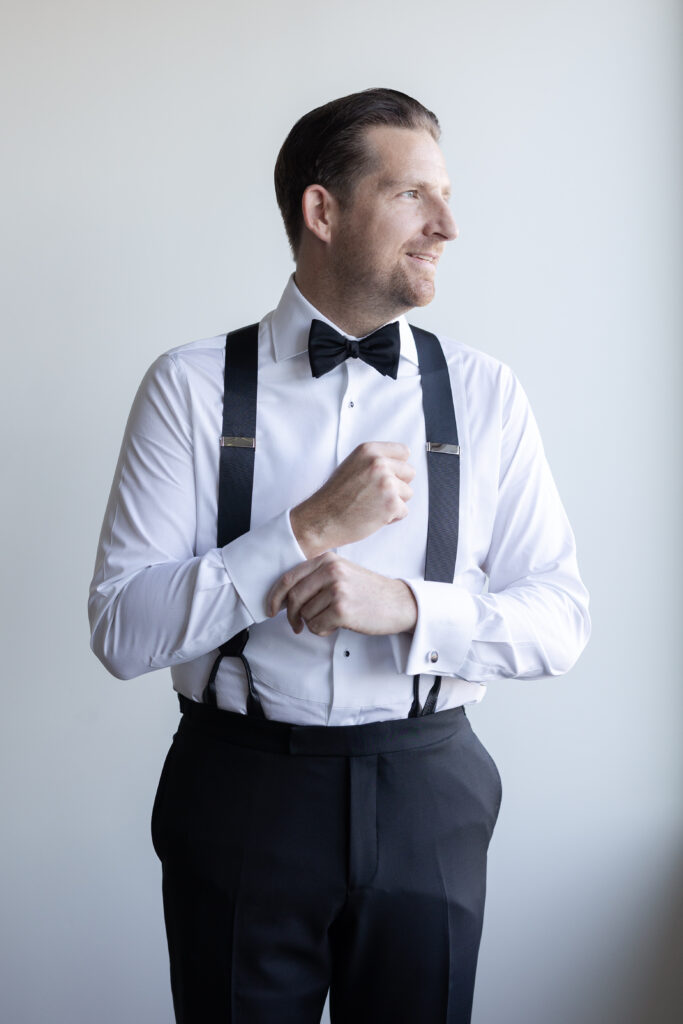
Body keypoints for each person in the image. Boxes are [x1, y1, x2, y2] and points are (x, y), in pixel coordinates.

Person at [89, 87, 590, 1023]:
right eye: (412, 196)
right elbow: (122, 629)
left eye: (445, 196)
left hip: (428, 791)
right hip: (240, 790)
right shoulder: (190, 388)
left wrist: (409, 608)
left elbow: (560, 621)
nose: (447, 225)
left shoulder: (484, 393)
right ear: (323, 211)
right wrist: (304, 531)